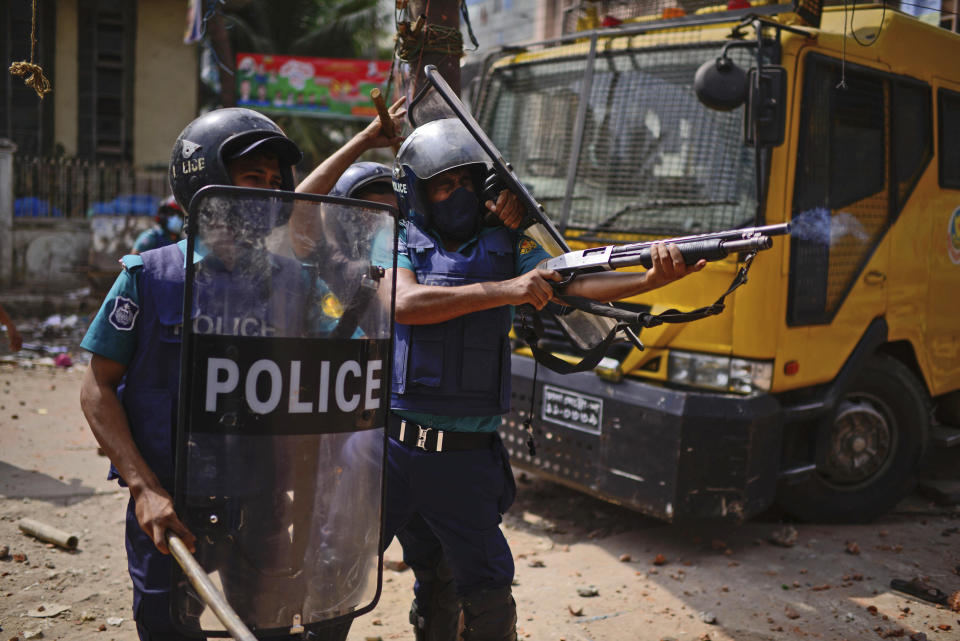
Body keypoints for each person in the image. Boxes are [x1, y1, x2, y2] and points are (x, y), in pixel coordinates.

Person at [380, 117, 706, 641]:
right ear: (419, 193)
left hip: (465, 459)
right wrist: (507, 290)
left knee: (486, 595)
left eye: (466, 182)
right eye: (444, 185)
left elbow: (574, 283)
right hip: (391, 453)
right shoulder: (395, 236)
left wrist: (651, 278)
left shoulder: (511, 244)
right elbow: (403, 304)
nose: (457, 194)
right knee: (342, 581)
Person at [79, 107, 387, 641]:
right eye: (252, 178)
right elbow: (96, 387)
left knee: (267, 629)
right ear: (207, 182)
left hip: (264, 507)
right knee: (164, 628)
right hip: (170, 510)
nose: (267, 194)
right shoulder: (148, 278)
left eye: (275, 182)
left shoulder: (296, 284)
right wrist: (143, 488)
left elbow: (342, 372)